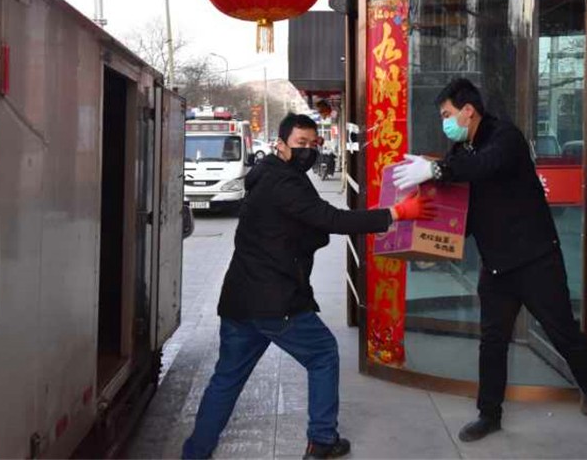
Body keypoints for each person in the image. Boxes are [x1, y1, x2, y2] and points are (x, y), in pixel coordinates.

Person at [392, 78, 587, 450]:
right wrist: (428, 237)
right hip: (497, 266)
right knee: (492, 342)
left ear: (468, 110)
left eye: (447, 114)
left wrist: (436, 170)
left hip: (536, 261)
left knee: (566, 337)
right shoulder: (460, 149)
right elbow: (460, 204)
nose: (445, 122)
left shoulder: (505, 138)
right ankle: (489, 414)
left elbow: (484, 166)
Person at [182, 113, 434, 460]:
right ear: (281, 145)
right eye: (300, 143)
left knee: (227, 378)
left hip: (240, 299)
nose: (308, 151)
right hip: (275, 300)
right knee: (323, 354)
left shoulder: (269, 175)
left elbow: (307, 224)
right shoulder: (283, 183)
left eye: (313, 144)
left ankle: (195, 452)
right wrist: (397, 213)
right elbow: (331, 219)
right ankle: (322, 440)